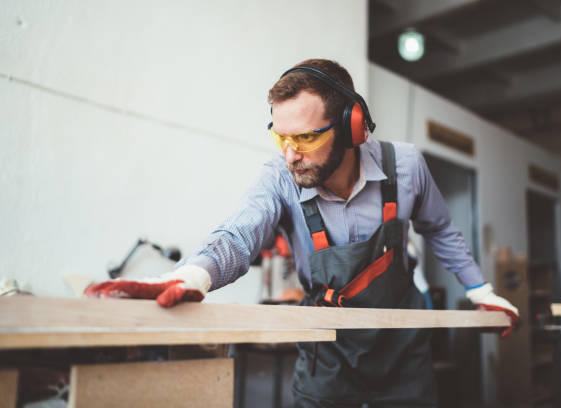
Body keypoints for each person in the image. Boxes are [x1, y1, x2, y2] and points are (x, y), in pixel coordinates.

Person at [86, 59, 519, 407]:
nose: (291, 155)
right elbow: (240, 233)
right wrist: (193, 275)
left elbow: (439, 228)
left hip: (402, 349)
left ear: (353, 126)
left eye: (307, 138)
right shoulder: (279, 175)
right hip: (324, 351)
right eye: (281, 138)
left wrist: (481, 290)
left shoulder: (404, 166)